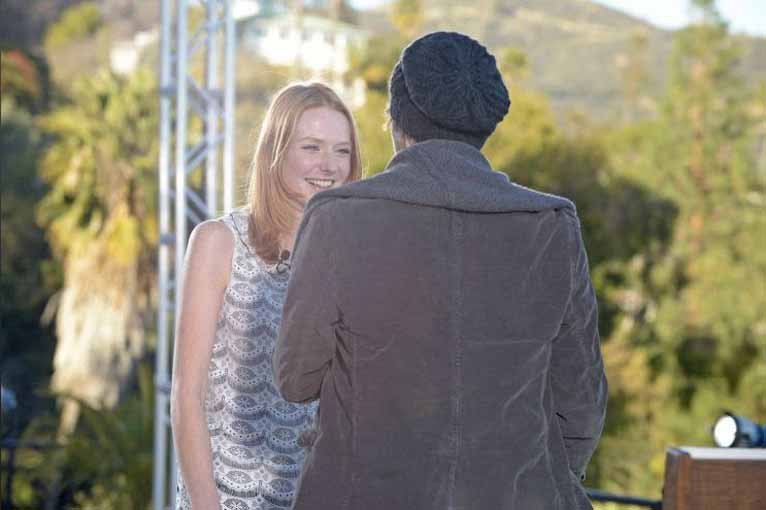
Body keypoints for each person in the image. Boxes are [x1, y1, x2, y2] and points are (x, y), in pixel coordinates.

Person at [275, 32, 608, 510]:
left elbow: (297, 379)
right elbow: (581, 403)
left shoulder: (338, 217)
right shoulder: (552, 223)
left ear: (396, 121)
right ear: (484, 126)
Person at [171, 82, 362, 510]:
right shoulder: (219, 242)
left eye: (342, 151)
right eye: (311, 147)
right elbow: (186, 395)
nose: (329, 165)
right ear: (275, 151)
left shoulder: (354, 257)